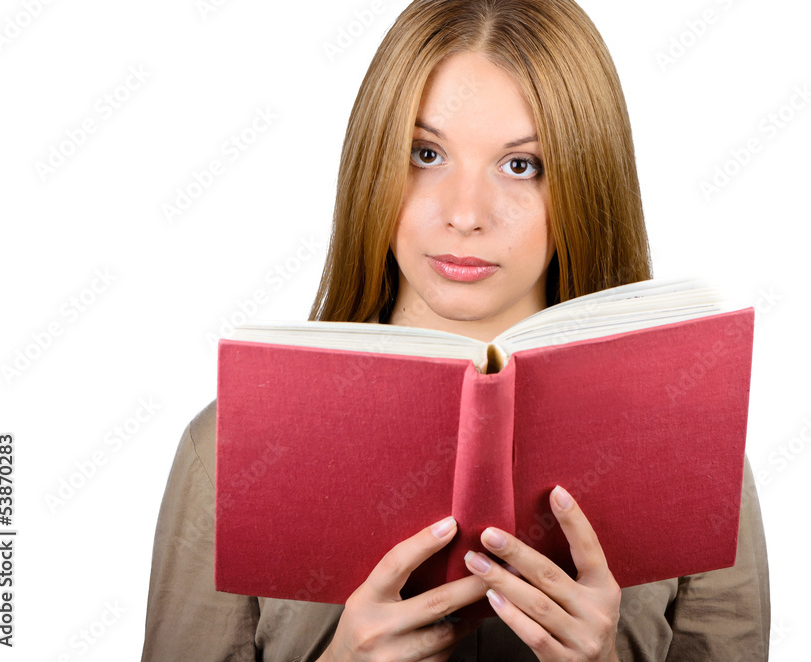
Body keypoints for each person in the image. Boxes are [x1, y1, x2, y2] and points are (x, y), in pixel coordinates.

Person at [140, 1, 770, 660]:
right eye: (426, 153)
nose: (466, 213)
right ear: (372, 166)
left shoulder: (692, 454)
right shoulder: (228, 448)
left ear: (586, 182)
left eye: (521, 164)